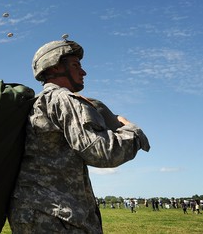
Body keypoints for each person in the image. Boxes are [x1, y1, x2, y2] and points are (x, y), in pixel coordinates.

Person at [8, 38, 150, 233]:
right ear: (55, 67)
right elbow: (102, 152)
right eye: (76, 65)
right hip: (56, 218)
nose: (83, 72)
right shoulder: (62, 99)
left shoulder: (38, 102)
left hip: (38, 214)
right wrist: (132, 131)